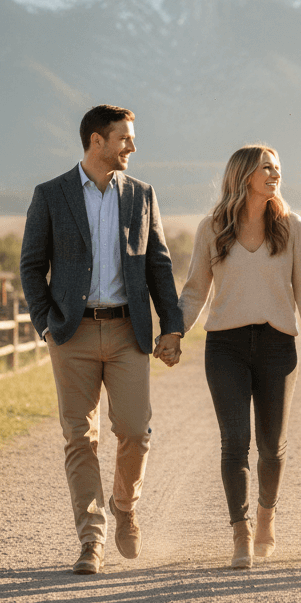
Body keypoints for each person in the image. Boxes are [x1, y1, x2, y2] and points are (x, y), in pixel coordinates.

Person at [20, 105, 185, 575]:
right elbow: (32, 266)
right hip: (70, 333)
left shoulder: (141, 195)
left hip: (126, 331)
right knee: (79, 437)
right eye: (124, 138)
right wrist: (46, 323)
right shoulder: (50, 195)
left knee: (135, 430)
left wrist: (171, 326)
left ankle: (124, 505)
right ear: (97, 141)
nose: (132, 146)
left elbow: (159, 264)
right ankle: (91, 539)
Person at [179, 145, 301, 569]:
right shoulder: (211, 227)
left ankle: (267, 514)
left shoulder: (291, 226)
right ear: (244, 175)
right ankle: (241, 532)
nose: (275, 173)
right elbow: (195, 289)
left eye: (278, 167)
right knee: (235, 443)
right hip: (224, 347)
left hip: (276, 346)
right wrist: (175, 332)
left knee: (271, 447)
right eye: (267, 167)